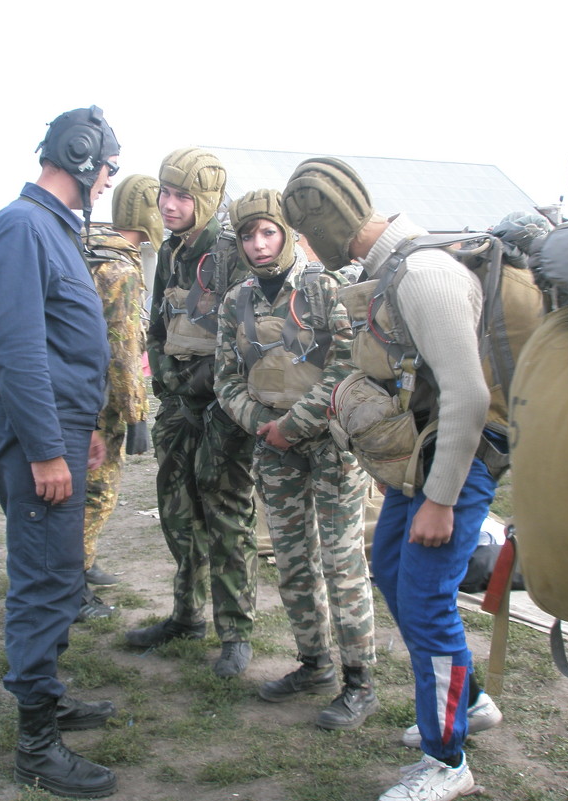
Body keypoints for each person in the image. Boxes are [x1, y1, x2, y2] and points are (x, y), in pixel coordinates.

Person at [283, 158, 497, 801]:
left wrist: (440, 500)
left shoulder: (425, 275)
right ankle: (471, 703)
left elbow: (470, 396)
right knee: (392, 568)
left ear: (320, 227)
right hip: (425, 458)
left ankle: (446, 759)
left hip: (460, 464)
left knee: (429, 599)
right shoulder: (393, 270)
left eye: (302, 233)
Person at [0, 105, 120, 799]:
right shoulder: (22, 227)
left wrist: (79, 428)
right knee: (43, 579)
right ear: (82, 156)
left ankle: (48, 696)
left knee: (60, 572)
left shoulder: (50, 229)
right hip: (38, 438)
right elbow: (19, 350)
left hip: (59, 427)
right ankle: (36, 743)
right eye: (108, 167)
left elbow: (61, 343)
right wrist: (44, 450)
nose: (110, 180)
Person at [214, 189, 378, 729]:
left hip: (329, 445)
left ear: (286, 234)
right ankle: (314, 664)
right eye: (248, 235)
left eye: (268, 232)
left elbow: (349, 366)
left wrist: (292, 425)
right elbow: (225, 378)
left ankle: (360, 680)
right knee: (291, 561)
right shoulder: (235, 299)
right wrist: (259, 423)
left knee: (341, 560)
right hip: (272, 446)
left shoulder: (324, 288)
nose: (258, 245)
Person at [124, 148, 258, 678]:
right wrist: (166, 375)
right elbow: (157, 324)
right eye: (165, 193)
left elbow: (251, 334)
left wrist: (211, 385)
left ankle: (237, 632)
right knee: (178, 513)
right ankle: (186, 614)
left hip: (224, 408)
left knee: (227, 518)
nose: (170, 205)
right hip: (179, 404)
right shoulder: (174, 251)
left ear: (206, 201)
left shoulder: (229, 254)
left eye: (182, 196)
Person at [74, 174, 158, 618]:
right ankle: (73, 590)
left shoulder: (86, 250)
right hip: (101, 402)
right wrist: (137, 414)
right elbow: (123, 348)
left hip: (73, 393)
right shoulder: (120, 269)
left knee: (80, 493)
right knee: (97, 495)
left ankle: (81, 568)